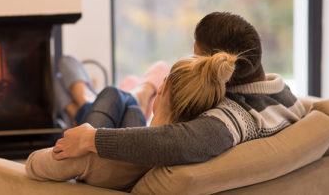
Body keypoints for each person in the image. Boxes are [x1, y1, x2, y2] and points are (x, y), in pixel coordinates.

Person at [51, 11, 307, 166]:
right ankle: (86, 103)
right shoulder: (285, 95)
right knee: (117, 97)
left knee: (111, 94)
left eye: (196, 58)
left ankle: (88, 102)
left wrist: (91, 138)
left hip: (114, 169)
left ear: (216, 65)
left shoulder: (234, 116)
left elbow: (181, 142)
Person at [26, 52, 238, 191]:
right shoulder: (183, 150)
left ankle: (84, 104)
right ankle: (90, 104)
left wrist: (85, 137)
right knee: (130, 105)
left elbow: (34, 164)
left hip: (104, 163)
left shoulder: (89, 158)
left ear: (163, 89)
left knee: (101, 89)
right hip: (134, 146)